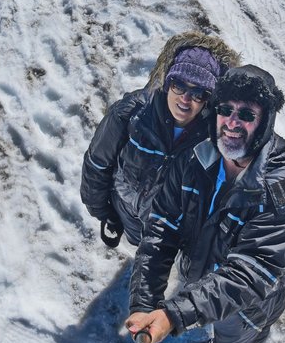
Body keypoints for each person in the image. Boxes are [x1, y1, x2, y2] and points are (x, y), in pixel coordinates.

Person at [124, 65, 285, 343]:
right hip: (201, 277)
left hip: (248, 304)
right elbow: (162, 228)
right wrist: (144, 302)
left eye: (247, 114)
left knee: (233, 340)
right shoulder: (193, 159)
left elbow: (251, 273)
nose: (232, 122)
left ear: (266, 122)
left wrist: (174, 314)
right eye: (225, 109)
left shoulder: (282, 190)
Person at [80, 32, 240, 248]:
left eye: (198, 92)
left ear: (208, 99)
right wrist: (103, 212)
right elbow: (97, 164)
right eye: (179, 85)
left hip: (172, 236)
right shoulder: (131, 113)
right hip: (127, 216)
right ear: (167, 83)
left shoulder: (216, 138)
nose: (185, 98)